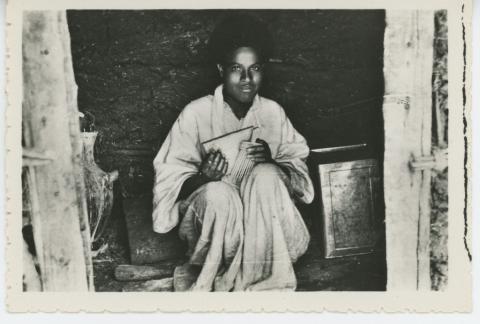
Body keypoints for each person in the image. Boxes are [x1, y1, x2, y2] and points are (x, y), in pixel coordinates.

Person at [152, 14, 314, 291]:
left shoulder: (273, 113)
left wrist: (273, 163)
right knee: (219, 193)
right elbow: (168, 182)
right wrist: (203, 177)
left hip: (270, 238)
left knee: (266, 174)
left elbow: (301, 182)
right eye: (237, 69)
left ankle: (267, 276)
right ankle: (231, 271)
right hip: (215, 234)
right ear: (221, 69)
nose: (247, 79)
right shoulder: (195, 113)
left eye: (255, 68)